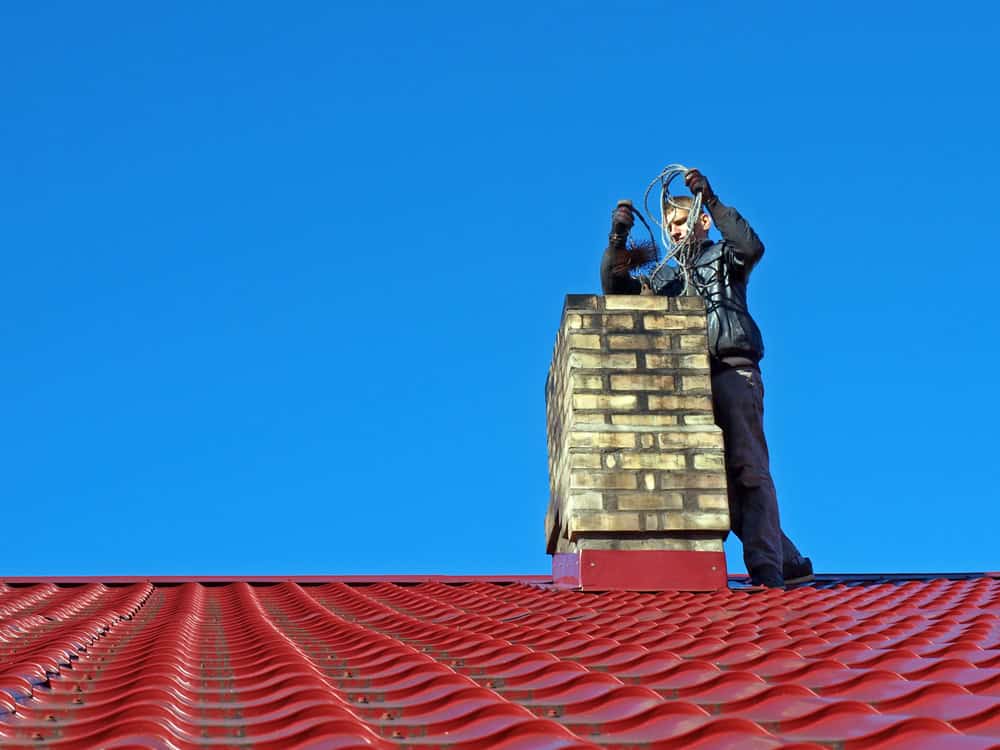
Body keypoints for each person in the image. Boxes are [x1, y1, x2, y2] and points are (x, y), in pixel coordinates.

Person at [600, 168, 812, 588]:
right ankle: (784, 557)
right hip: (688, 383)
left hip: (733, 370)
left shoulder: (723, 258)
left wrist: (711, 199)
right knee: (712, 483)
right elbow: (616, 292)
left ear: (699, 221)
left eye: (681, 221)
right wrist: (618, 241)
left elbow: (750, 246)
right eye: (668, 226)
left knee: (748, 468)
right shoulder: (665, 280)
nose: (674, 230)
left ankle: (768, 569)